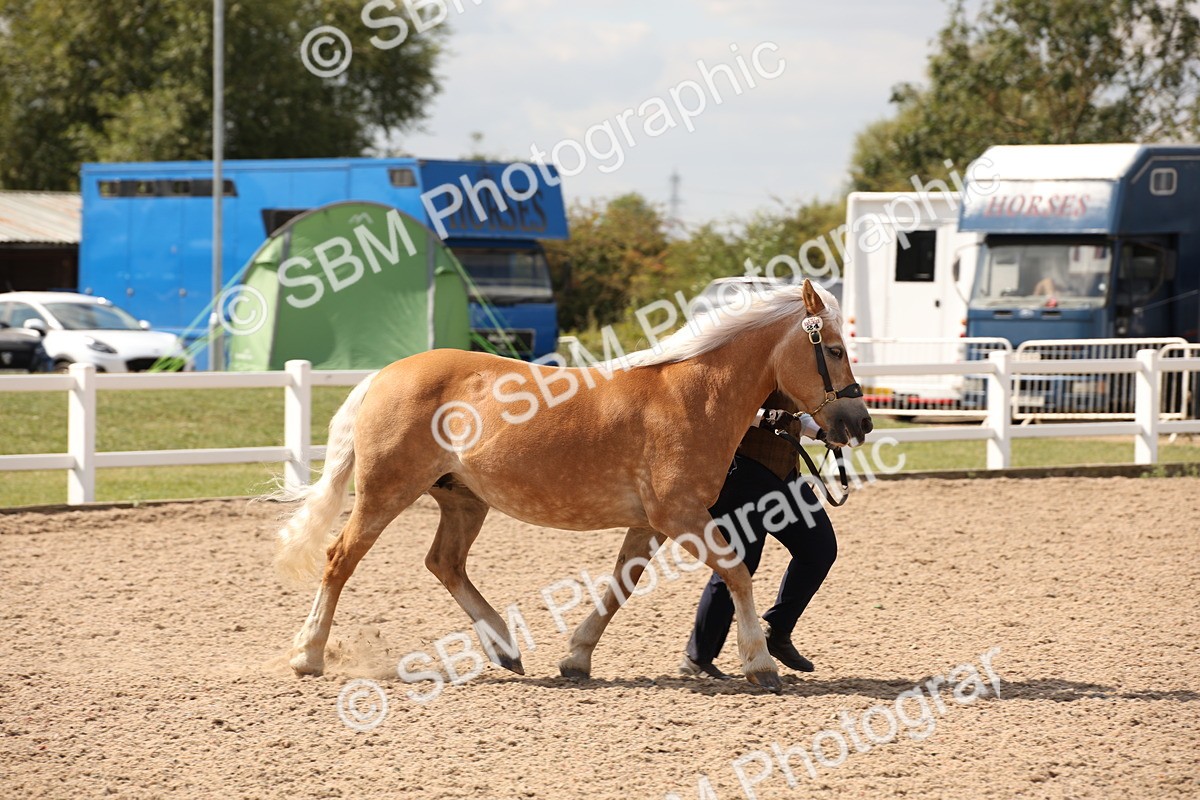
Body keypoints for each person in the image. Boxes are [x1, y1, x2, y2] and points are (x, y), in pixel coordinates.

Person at [679, 390, 838, 679]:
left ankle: (778, 631)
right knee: (738, 565)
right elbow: (718, 404)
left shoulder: (788, 361)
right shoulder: (747, 350)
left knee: (819, 550)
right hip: (742, 475)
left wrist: (822, 433)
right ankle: (698, 657)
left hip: (785, 475)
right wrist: (762, 417)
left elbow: (793, 417)